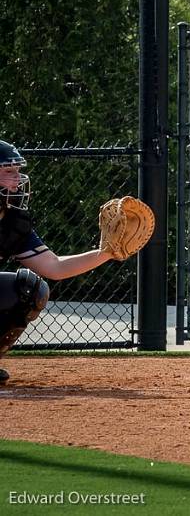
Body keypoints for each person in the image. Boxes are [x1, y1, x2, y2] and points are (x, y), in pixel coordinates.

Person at [0, 140, 130, 384]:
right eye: (8, 172)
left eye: (17, 171)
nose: (17, 179)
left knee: (30, 289)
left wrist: (107, 253)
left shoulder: (12, 222)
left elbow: (55, 267)